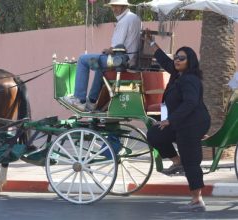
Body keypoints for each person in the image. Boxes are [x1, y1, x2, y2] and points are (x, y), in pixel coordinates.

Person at [145, 32, 211, 212]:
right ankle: (177, 161)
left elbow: (190, 103)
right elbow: (165, 61)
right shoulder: (177, 75)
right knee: (154, 135)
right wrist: (152, 44)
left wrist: (169, 120)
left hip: (192, 122)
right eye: (176, 57)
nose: (177, 60)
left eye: (182, 58)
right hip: (181, 121)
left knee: (191, 160)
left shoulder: (190, 79)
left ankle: (197, 199)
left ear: (190, 61)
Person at [63, 0, 141, 111]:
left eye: (116, 6)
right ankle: (92, 100)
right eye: (112, 6)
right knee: (99, 65)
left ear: (124, 5)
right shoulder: (135, 18)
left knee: (82, 60)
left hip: (120, 60)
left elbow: (115, 47)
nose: (114, 9)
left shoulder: (124, 21)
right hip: (130, 60)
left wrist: (107, 50)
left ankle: (79, 99)